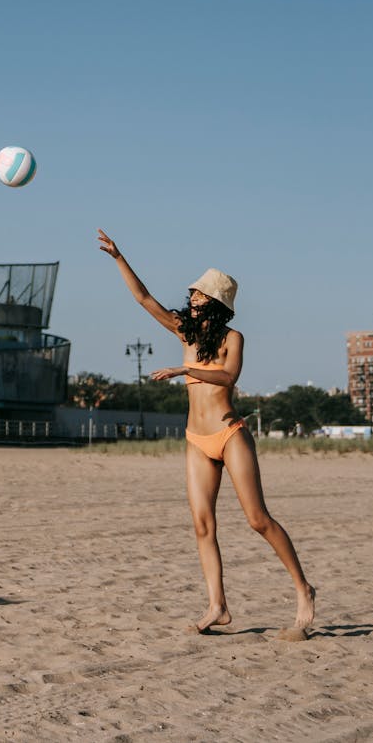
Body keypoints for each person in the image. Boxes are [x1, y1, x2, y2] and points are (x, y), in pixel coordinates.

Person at [98, 229, 315, 633]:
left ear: (216, 303)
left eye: (200, 295)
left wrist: (184, 369)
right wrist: (118, 257)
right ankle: (218, 605)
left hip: (229, 433)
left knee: (257, 519)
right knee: (202, 525)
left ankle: (303, 588)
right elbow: (145, 299)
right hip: (196, 440)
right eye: (193, 293)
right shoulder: (184, 331)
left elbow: (228, 378)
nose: (192, 297)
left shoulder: (233, 338)